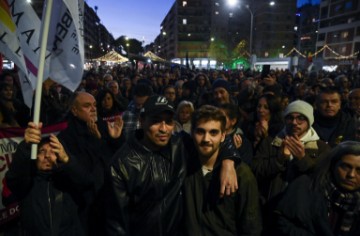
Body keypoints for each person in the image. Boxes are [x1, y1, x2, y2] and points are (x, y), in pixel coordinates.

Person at [106, 95, 239, 236]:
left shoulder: (180, 145)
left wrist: (229, 161)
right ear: (142, 121)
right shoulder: (122, 164)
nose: (164, 129)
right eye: (156, 121)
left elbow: (216, 140)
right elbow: (116, 223)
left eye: (168, 122)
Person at [182, 105, 262, 236]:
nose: (206, 139)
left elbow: (251, 227)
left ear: (223, 136)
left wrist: (229, 161)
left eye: (213, 132)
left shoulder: (241, 174)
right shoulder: (183, 166)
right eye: (200, 132)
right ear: (191, 132)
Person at [57, 91, 123, 235]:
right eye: (87, 106)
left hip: (108, 199)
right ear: (74, 110)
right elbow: (83, 175)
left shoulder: (104, 127)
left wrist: (116, 140)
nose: (93, 109)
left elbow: (116, 164)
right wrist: (97, 141)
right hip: (84, 205)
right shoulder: (66, 138)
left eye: (94, 105)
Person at [4, 122, 84, 235]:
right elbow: (13, 178)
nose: (47, 155)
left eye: (52, 151)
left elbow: (86, 182)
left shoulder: (68, 180)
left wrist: (67, 159)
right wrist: (25, 146)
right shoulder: (27, 183)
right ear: (35, 155)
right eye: (42, 151)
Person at [272, 141, 360, 236]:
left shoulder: (357, 202)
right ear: (334, 165)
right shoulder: (306, 186)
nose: (351, 175)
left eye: (359, 170)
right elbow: (281, 224)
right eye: (346, 167)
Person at [252, 100, 330, 206]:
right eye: (290, 118)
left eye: (300, 118)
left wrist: (302, 159)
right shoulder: (270, 142)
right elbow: (256, 171)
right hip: (271, 205)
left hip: (302, 206)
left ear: (309, 121)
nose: (294, 122)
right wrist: (280, 159)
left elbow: (323, 180)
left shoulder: (321, 147)